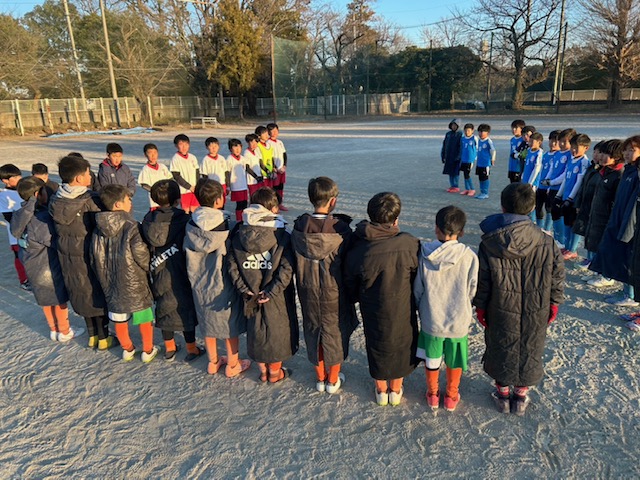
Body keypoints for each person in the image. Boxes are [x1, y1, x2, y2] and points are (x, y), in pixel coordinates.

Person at [474, 183, 564, 415]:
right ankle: (520, 396)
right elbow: (557, 276)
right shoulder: (546, 241)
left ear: (502, 207)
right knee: (530, 345)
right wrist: (554, 302)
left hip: (500, 306)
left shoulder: (490, 242)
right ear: (532, 208)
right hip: (537, 305)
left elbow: (482, 280)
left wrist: (480, 306)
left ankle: (503, 393)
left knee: (500, 344)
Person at [344, 192, 420, 406]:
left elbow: (350, 280)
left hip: (372, 305)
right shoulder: (409, 243)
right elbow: (418, 276)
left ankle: (380, 389)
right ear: (396, 220)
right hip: (402, 304)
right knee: (402, 342)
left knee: (376, 342)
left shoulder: (359, 246)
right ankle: (395, 389)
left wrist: (356, 296)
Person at [291, 177, 358, 394]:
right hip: (335, 290)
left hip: (307, 288)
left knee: (313, 329)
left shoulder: (299, 228)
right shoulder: (342, 230)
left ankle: (320, 378)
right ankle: (333, 378)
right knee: (335, 332)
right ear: (333, 201)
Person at [228, 187, 299, 384]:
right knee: (277, 330)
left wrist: (244, 289)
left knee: (256, 331)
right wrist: (271, 291)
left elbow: (232, 265)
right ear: (273, 209)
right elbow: (286, 268)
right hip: (276, 295)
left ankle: (263, 371)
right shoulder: (282, 234)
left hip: (250, 293)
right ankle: (275, 373)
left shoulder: (239, 233)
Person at [413, 205, 478, 412]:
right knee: (454, 358)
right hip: (458, 318)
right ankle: (451, 395)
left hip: (432, 317)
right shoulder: (469, 256)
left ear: (436, 228)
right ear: (462, 231)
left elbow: (418, 288)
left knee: (432, 358)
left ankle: (433, 394)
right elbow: (472, 288)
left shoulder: (424, 254)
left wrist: (420, 308)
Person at [184, 178, 250, 376]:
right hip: (222, 283)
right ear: (218, 200)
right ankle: (233, 364)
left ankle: (213, 362)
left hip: (198, 281)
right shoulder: (228, 225)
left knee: (207, 321)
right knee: (229, 324)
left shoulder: (190, 224)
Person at [49, 155, 113, 349]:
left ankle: (92, 335)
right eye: (87, 173)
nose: (90, 176)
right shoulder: (90, 200)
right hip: (89, 254)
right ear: (79, 178)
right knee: (96, 291)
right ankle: (104, 338)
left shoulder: (56, 199)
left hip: (67, 255)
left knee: (79, 291)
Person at [10, 176, 84, 342]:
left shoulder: (20, 215)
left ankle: (53, 329)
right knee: (58, 299)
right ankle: (64, 330)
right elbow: (53, 242)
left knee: (45, 300)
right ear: (38, 194)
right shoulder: (40, 219)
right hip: (48, 266)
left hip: (31, 265)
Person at [91, 184, 158, 363]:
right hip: (134, 280)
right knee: (143, 315)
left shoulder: (97, 229)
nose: (131, 203)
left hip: (110, 282)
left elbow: (94, 256)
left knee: (118, 318)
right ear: (118, 204)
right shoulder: (132, 226)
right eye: (128, 199)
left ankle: (127, 349)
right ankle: (148, 349)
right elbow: (141, 253)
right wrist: (148, 268)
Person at [141, 180, 202, 362]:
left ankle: (169, 348)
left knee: (163, 306)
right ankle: (192, 348)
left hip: (158, 268)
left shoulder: (148, 221)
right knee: (185, 308)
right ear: (177, 199)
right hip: (181, 271)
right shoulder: (183, 220)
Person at [590, 135, 640, 308]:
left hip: (630, 224)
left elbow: (634, 205)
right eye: (626, 150)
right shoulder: (629, 170)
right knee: (619, 255)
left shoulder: (637, 174)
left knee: (629, 259)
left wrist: (629, 226)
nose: (627, 153)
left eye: (632, 150)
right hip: (618, 218)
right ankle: (625, 290)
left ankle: (630, 295)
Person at [554, 133, 591, 260]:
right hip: (566, 197)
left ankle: (573, 249)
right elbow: (566, 179)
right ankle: (567, 246)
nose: (573, 150)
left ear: (586, 148)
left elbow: (579, 182)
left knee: (574, 224)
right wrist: (559, 195)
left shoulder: (584, 162)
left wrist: (570, 198)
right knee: (567, 222)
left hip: (574, 200)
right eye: (572, 147)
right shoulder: (571, 159)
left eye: (577, 147)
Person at [573, 141, 606, 272]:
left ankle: (594, 260)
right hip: (586, 205)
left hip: (596, 208)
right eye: (595, 152)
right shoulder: (592, 168)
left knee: (595, 236)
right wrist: (578, 203)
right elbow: (583, 186)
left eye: (600, 153)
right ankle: (589, 257)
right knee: (587, 233)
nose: (596, 155)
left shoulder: (604, 172)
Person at [541, 128, 576, 247]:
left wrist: (552, 182)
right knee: (553, 212)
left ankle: (562, 241)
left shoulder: (570, 155)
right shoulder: (557, 154)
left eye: (565, 142)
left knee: (561, 214)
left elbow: (565, 175)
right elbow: (552, 170)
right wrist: (547, 182)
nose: (561, 144)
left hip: (561, 190)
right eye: (560, 141)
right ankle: (557, 239)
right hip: (553, 189)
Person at [0, 164, 29, 290]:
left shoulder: (24, 190)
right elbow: (9, 217)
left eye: (19, 176)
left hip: (31, 231)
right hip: (16, 234)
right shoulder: (3, 196)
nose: (19, 179)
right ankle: (24, 280)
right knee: (19, 256)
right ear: (5, 180)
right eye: (15, 177)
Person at [536, 130, 561, 231]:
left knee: (549, 208)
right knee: (538, 207)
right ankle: (539, 228)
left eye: (556, 141)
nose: (553, 143)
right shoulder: (545, 155)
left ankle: (547, 229)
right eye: (551, 140)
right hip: (541, 185)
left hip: (551, 187)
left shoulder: (558, 155)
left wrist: (549, 185)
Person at [170, 134, 200, 213]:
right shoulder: (175, 159)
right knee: (185, 211)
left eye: (186, 144)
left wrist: (197, 186)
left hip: (194, 189)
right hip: (184, 191)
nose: (184, 147)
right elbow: (176, 176)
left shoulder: (192, 157)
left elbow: (197, 173)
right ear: (176, 146)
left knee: (195, 210)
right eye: (181, 144)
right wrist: (189, 187)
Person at [138, 143, 172, 210]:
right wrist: (155, 192)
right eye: (150, 153)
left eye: (155, 153)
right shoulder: (145, 169)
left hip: (166, 198)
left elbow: (170, 178)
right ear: (145, 155)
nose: (153, 155)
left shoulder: (163, 167)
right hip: (154, 201)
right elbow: (143, 184)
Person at [267, 123, 289, 211]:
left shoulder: (280, 142)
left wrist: (284, 166)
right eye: (272, 131)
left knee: (280, 187)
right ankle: (273, 205)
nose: (274, 133)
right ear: (268, 132)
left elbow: (284, 155)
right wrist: (275, 168)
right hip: (275, 170)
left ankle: (280, 203)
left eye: (276, 131)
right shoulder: (268, 143)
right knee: (274, 188)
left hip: (282, 169)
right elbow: (269, 157)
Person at [475, 124, 496, 200]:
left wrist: (493, 159)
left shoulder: (488, 141)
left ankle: (485, 193)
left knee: (485, 178)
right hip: (479, 163)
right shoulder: (478, 140)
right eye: (480, 132)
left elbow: (493, 150)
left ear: (488, 133)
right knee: (480, 178)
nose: (481, 133)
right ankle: (481, 192)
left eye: (483, 132)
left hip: (485, 163)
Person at [441, 118, 462, 192]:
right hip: (449, 156)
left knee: (455, 172)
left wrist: (459, 156)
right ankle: (452, 185)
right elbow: (444, 145)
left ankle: (456, 186)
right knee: (450, 171)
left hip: (456, 157)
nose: (453, 127)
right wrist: (443, 155)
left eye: (455, 125)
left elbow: (461, 147)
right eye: (452, 125)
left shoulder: (460, 135)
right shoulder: (448, 134)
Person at [459, 123, 478, 196]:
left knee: (467, 174)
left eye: (469, 131)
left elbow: (477, 148)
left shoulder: (474, 138)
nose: (467, 132)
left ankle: (472, 189)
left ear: (472, 131)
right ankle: (467, 189)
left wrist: (475, 157)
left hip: (470, 159)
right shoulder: (463, 138)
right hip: (463, 159)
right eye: (466, 130)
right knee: (464, 174)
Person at [244, 133, 265, 197]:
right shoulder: (246, 153)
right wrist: (256, 177)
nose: (254, 145)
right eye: (252, 142)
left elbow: (260, 163)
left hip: (259, 178)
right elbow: (247, 168)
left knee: (260, 197)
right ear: (248, 143)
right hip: (252, 180)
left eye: (256, 143)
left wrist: (267, 171)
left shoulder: (257, 151)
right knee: (254, 197)